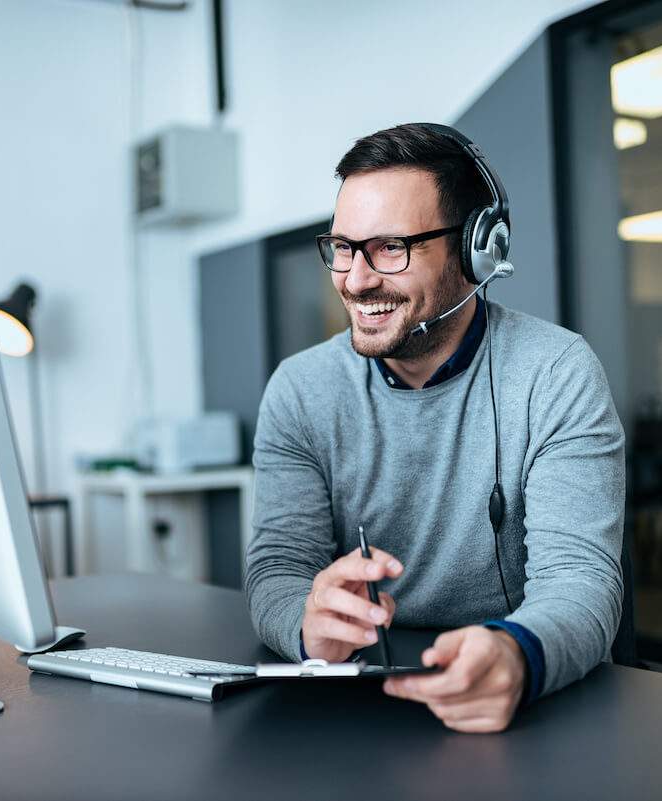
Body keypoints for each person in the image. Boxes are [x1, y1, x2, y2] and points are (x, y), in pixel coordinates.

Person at [244, 123, 625, 732]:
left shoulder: (556, 372)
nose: (356, 278)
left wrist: (516, 653)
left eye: (390, 247)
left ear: (478, 250)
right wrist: (306, 624)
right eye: (343, 247)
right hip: (363, 707)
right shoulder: (300, 388)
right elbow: (278, 571)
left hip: (525, 699)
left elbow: (581, 581)